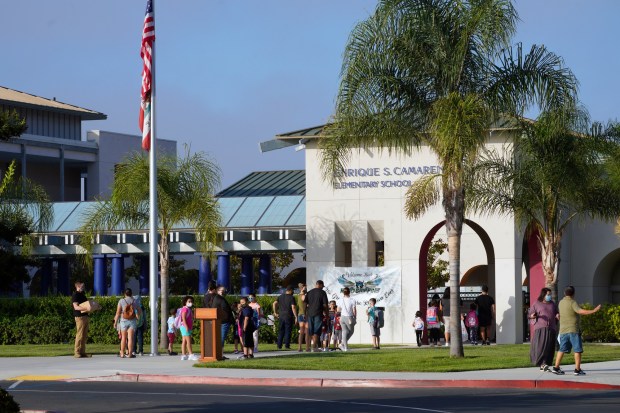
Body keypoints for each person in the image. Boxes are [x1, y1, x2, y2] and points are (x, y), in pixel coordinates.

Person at [551, 286, 601, 376]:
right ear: (573, 293)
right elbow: (580, 311)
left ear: (564, 293)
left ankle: (556, 368)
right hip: (573, 330)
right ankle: (577, 370)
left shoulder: (561, 302)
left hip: (563, 330)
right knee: (577, 350)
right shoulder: (572, 302)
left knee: (561, 349)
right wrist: (593, 310)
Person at [528, 287, 559, 371]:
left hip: (551, 328)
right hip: (541, 328)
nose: (549, 296)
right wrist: (532, 316)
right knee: (541, 347)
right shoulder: (537, 303)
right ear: (543, 294)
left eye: (550, 294)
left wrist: (557, 315)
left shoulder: (552, 304)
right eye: (548, 294)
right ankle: (542, 363)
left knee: (549, 347)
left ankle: (545, 364)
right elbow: (530, 315)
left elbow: (556, 312)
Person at [113, 288, 141, 358]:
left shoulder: (121, 301)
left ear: (124, 294)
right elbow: (139, 310)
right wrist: (137, 316)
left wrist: (115, 322)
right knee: (130, 338)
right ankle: (130, 354)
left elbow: (117, 313)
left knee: (123, 338)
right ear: (131, 294)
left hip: (123, 321)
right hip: (132, 320)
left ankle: (122, 353)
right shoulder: (134, 301)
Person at [304, 280, 329, 352]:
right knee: (316, 331)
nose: (322, 288)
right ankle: (314, 347)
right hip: (318, 313)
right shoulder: (322, 292)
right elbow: (325, 305)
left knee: (309, 331)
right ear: (320, 285)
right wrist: (327, 314)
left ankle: (307, 348)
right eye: (322, 286)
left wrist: (305, 313)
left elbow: (305, 303)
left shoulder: (309, 292)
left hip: (309, 314)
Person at [273, 285, 297, 350]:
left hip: (281, 316)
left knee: (281, 331)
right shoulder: (292, 298)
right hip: (288, 316)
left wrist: (275, 312)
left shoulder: (280, 297)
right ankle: (287, 345)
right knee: (288, 331)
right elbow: (293, 307)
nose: (293, 292)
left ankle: (279, 345)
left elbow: (274, 303)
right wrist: (295, 316)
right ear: (291, 290)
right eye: (293, 290)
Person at [212, 285, 235, 351]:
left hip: (220, 321)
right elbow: (225, 309)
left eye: (224, 291)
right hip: (223, 321)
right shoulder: (220, 299)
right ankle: (219, 353)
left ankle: (219, 353)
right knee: (221, 338)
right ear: (217, 291)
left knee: (220, 338)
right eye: (222, 291)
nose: (223, 292)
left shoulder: (217, 298)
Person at [71, 281, 91, 358]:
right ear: (78, 287)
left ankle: (82, 352)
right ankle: (77, 352)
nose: (83, 288)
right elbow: (76, 307)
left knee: (84, 335)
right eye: (82, 286)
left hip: (85, 316)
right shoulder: (75, 295)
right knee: (79, 335)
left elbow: (86, 304)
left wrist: (94, 307)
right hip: (79, 317)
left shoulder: (82, 294)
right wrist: (87, 308)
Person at [179, 295, 199, 361]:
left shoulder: (188, 309)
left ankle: (184, 355)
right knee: (188, 341)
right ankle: (191, 354)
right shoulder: (185, 309)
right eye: (189, 301)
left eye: (191, 301)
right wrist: (186, 327)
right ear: (185, 302)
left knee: (184, 341)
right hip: (185, 327)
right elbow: (183, 318)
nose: (190, 303)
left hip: (185, 327)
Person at [337, 287, 357, 352]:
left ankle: (345, 347)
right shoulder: (352, 300)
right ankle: (343, 345)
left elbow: (338, 310)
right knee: (351, 331)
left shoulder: (340, 300)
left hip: (342, 317)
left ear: (343, 293)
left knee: (344, 331)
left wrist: (338, 316)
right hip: (349, 317)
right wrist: (355, 318)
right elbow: (354, 310)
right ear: (349, 292)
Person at [296, 283, 308, 352]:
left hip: (300, 314)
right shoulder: (303, 296)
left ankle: (299, 347)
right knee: (306, 331)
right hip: (304, 315)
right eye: (305, 287)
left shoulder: (298, 295)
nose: (306, 288)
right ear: (302, 288)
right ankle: (307, 347)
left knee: (301, 332)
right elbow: (304, 300)